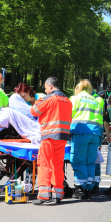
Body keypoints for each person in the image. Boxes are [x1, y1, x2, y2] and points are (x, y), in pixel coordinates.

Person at [26, 77, 72, 205]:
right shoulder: (67, 100)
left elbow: (34, 111)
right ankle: (58, 194)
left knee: (44, 163)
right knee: (57, 165)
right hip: (63, 137)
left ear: (50, 87)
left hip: (49, 136)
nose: (45, 90)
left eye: (46, 88)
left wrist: (38, 99)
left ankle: (44, 195)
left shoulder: (49, 99)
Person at [69, 79, 105, 200]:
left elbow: (69, 115)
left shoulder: (75, 99)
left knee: (79, 160)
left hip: (81, 132)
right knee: (90, 161)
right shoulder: (95, 100)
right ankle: (89, 188)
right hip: (95, 133)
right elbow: (100, 118)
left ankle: (80, 188)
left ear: (78, 88)